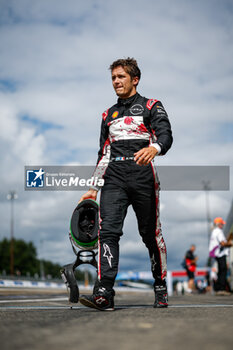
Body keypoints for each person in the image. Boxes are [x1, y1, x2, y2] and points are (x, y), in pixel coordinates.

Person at [79, 57, 173, 310]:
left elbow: (166, 135)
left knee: (150, 234)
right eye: (113, 78)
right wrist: (93, 187)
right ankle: (104, 292)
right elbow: (104, 152)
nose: (116, 82)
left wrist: (155, 148)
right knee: (108, 231)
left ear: (135, 79)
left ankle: (161, 286)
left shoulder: (152, 105)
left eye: (121, 77)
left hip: (143, 174)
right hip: (114, 176)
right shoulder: (108, 114)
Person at [209, 217, 232, 295]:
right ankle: (221, 289)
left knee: (221, 271)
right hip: (220, 254)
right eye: (222, 224)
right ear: (219, 224)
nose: (223, 225)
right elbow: (222, 243)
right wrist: (230, 244)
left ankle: (219, 288)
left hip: (216, 253)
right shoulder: (219, 231)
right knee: (223, 271)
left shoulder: (214, 232)